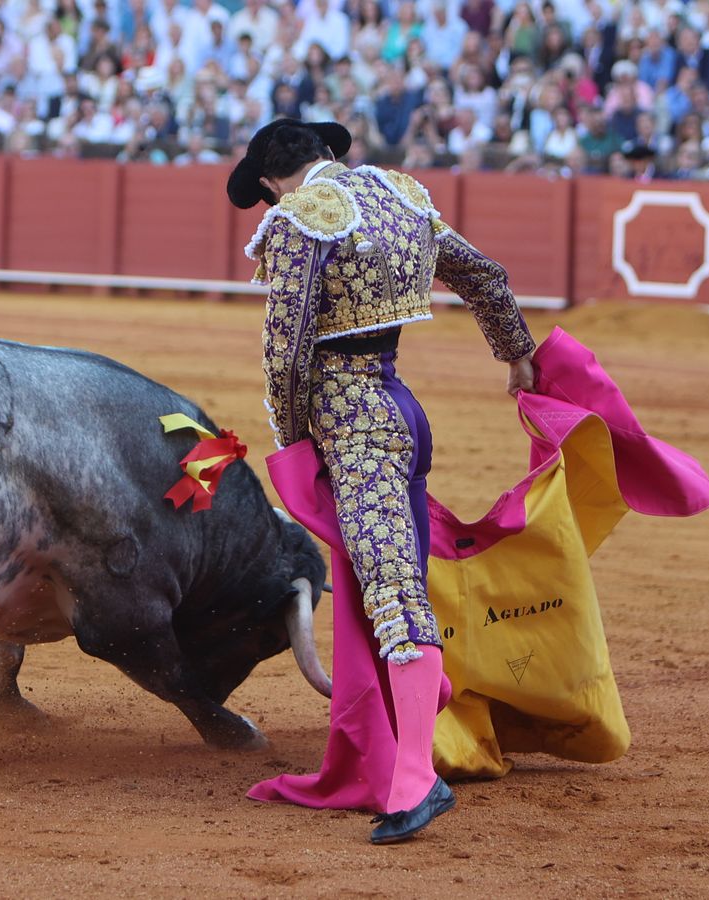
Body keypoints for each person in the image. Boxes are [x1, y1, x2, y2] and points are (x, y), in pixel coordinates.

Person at [227, 119, 536, 845]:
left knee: (391, 592)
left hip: (356, 427)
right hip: (403, 411)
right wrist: (517, 354)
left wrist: (295, 441)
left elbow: (288, 351)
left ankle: (413, 778)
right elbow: (485, 276)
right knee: (386, 583)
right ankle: (385, 747)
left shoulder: (303, 216)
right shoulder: (403, 194)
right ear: (328, 154)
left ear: (272, 181)